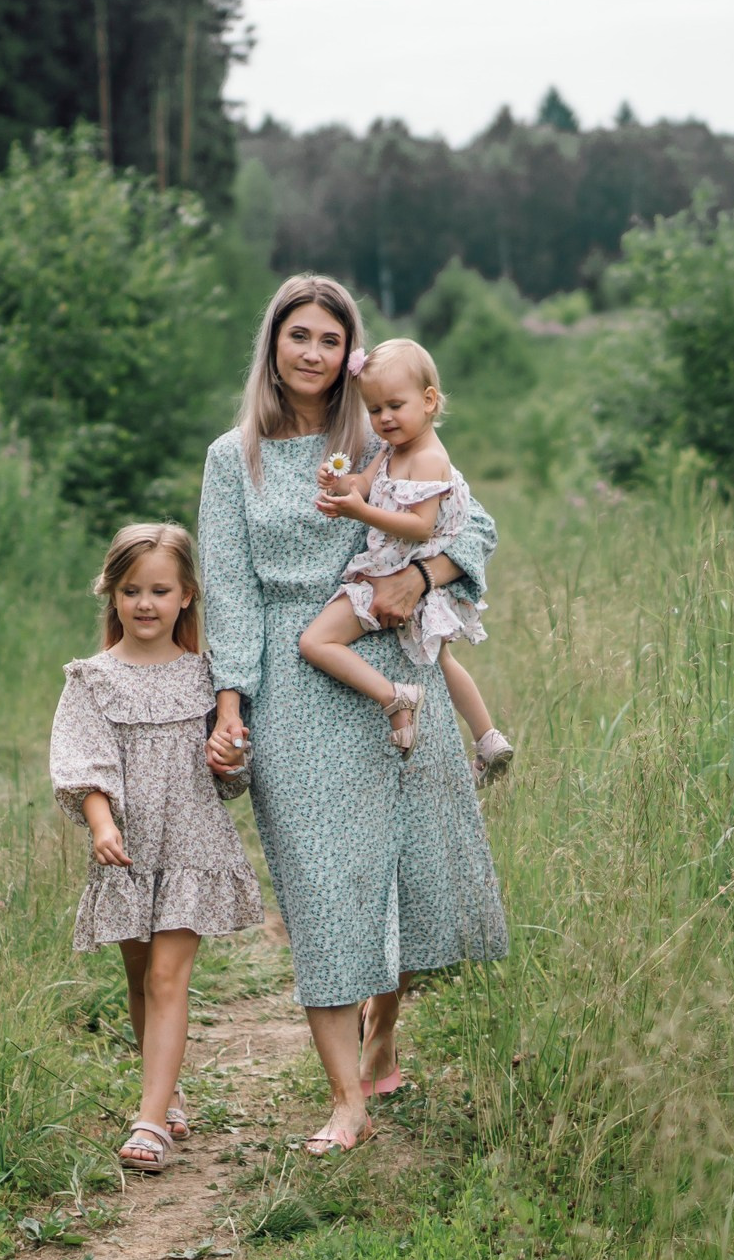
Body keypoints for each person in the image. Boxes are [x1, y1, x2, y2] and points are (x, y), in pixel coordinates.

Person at [198, 275, 508, 1157]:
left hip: (389, 670)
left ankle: (382, 1038)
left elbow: (473, 526)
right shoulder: (233, 458)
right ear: (273, 343)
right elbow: (229, 588)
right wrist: (231, 704)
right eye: (298, 335)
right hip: (295, 689)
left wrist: (421, 576)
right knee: (324, 892)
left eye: (329, 340)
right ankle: (346, 1100)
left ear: (350, 355)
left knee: (403, 875)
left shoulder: (381, 431)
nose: (312, 352)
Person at [50, 522, 263, 1175]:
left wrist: (229, 755)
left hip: (192, 843)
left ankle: (148, 1123)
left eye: (160, 591)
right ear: (111, 595)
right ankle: (165, 1094)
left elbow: (234, 772)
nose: (145, 603)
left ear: (187, 595)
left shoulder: (209, 677)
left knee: (168, 978)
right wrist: (101, 824)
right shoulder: (92, 680)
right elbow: (82, 763)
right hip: (128, 849)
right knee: (141, 979)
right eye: (131, 590)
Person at [297, 337, 514, 779]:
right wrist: (340, 485)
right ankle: (488, 738)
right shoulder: (392, 450)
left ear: (429, 400)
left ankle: (394, 697)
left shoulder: (429, 459)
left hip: (401, 574)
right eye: (375, 409)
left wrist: (359, 513)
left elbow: (420, 525)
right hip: (400, 570)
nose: (385, 419)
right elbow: (363, 485)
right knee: (443, 661)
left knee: (315, 642)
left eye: (395, 405)